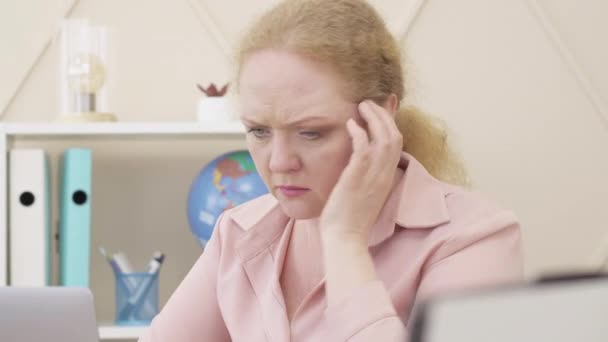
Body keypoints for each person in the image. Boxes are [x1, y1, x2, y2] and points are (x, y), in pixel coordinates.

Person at [139, 0, 523, 341]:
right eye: (258, 131)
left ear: (381, 119)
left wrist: (344, 241)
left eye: (310, 133)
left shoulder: (472, 238)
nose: (278, 162)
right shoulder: (239, 234)